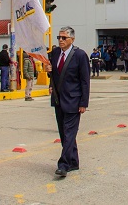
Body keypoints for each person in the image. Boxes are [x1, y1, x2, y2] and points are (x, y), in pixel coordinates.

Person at [48, 26, 90, 178]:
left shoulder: (80, 55)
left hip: (74, 100)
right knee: (64, 133)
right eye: (59, 37)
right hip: (59, 99)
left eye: (64, 38)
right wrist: (48, 72)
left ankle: (63, 164)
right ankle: (73, 161)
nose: (60, 40)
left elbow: (85, 80)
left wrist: (84, 102)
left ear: (72, 39)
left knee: (70, 133)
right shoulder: (54, 53)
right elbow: (54, 75)